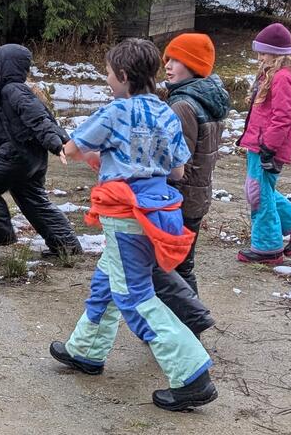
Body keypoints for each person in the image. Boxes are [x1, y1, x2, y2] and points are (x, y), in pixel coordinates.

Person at [49, 38, 217, 411]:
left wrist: (89, 154)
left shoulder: (114, 112)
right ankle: (86, 350)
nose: (107, 80)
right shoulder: (166, 112)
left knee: (135, 296)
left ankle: (193, 375)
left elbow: (74, 149)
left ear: (123, 76)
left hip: (125, 212)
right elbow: (177, 169)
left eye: (108, 74)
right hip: (160, 207)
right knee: (108, 281)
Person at [149, 33, 232, 337]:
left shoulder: (182, 105)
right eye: (167, 59)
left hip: (181, 198)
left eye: (176, 60)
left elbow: (174, 164)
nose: (168, 66)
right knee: (182, 265)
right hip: (198, 195)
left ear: (195, 65)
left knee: (170, 268)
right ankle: (184, 325)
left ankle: (188, 326)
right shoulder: (208, 97)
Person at [0, 44, 81, 258]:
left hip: (18, 155)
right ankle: (66, 246)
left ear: (6, 66)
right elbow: (9, 128)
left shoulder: (13, 90)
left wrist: (56, 143)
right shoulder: (7, 91)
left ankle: (0, 235)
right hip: (31, 156)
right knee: (32, 199)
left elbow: (39, 118)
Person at [236, 22, 291, 265]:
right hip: (259, 142)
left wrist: (269, 148)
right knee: (260, 190)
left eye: (263, 53)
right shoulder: (271, 73)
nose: (260, 57)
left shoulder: (283, 77)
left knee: (258, 194)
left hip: (268, 147)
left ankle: (267, 247)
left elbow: (282, 117)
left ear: (278, 53)